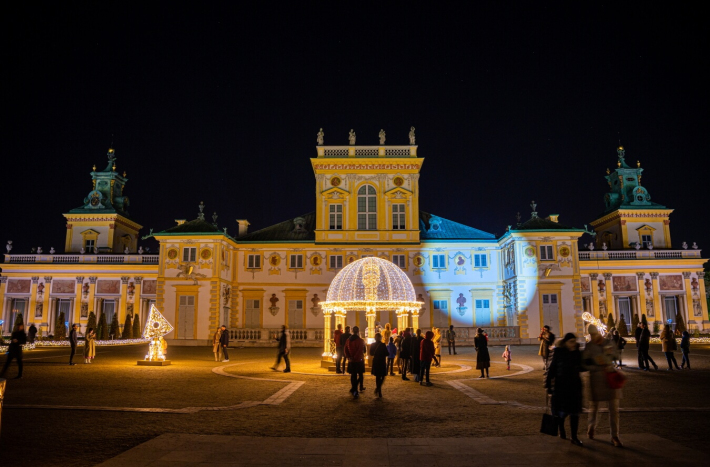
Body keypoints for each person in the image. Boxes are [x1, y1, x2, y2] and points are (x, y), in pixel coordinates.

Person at [583, 324, 623, 447]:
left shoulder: (608, 342)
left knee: (613, 409)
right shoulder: (589, 346)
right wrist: (595, 366)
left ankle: (614, 435)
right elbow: (584, 363)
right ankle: (591, 428)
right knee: (594, 407)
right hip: (596, 379)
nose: (594, 337)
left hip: (609, 378)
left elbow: (617, 356)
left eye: (595, 334)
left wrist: (610, 356)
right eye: (592, 335)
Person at [545, 333, 584, 446]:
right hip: (561, 387)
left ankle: (574, 437)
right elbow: (552, 369)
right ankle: (561, 429)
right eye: (571, 342)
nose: (573, 344)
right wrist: (548, 386)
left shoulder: (577, 353)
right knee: (562, 413)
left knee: (575, 413)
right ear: (566, 342)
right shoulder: (559, 352)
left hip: (575, 387)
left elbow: (581, 367)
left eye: (574, 341)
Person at [344, 326, 365, 397]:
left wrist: (349, 357)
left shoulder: (348, 340)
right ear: (358, 331)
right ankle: (356, 389)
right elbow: (360, 351)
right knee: (360, 375)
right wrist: (354, 357)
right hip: (358, 360)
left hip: (351, 361)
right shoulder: (360, 341)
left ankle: (353, 388)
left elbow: (345, 350)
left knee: (353, 375)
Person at [369, 332, 389, 398]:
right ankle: (378, 389)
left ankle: (379, 390)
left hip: (376, 361)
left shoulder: (372, 345)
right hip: (382, 361)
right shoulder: (383, 345)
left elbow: (371, 353)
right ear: (380, 337)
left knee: (377, 377)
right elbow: (387, 353)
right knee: (383, 376)